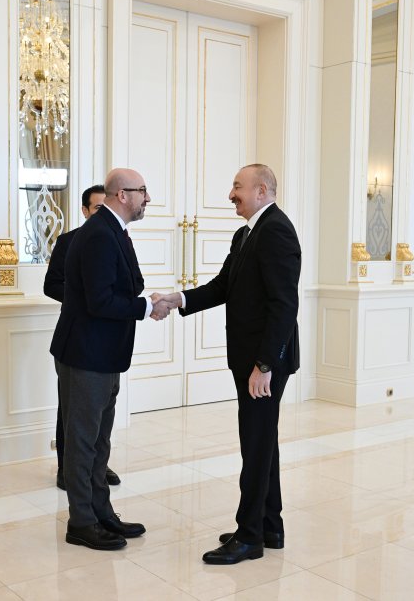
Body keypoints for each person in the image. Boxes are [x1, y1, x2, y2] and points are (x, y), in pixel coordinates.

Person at [155, 164, 300, 565]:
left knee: (255, 444)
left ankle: (249, 536)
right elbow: (224, 286)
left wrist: (264, 365)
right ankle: (269, 526)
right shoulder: (246, 233)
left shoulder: (277, 231)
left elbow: (284, 305)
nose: (231, 194)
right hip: (251, 358)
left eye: (237, 186)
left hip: (264, 363)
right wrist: (178, 299)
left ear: (262, 190)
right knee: (261, 441)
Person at [49, 168, 171, 551]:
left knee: (99, 441)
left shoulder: (114, 230)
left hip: (103, 354)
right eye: (142, 191)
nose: (147, 198)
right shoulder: (100, 234)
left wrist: (142, 300)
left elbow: (131, 283)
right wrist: (145, 307)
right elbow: (101, 301)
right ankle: (81, 522)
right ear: (122, 194)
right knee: (83, 442)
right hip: (87, 354)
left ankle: (101, 512)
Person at [44, 184, 122, 491]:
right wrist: (85, 298)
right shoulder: (68, 241)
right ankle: (66, 468)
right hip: (76, 337)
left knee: (100, 410)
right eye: (98, 208)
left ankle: (97, 466)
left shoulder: (118, 237)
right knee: (71, 410)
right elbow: (51, 285)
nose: (104, 213)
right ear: (85, 211)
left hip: (107, 339)